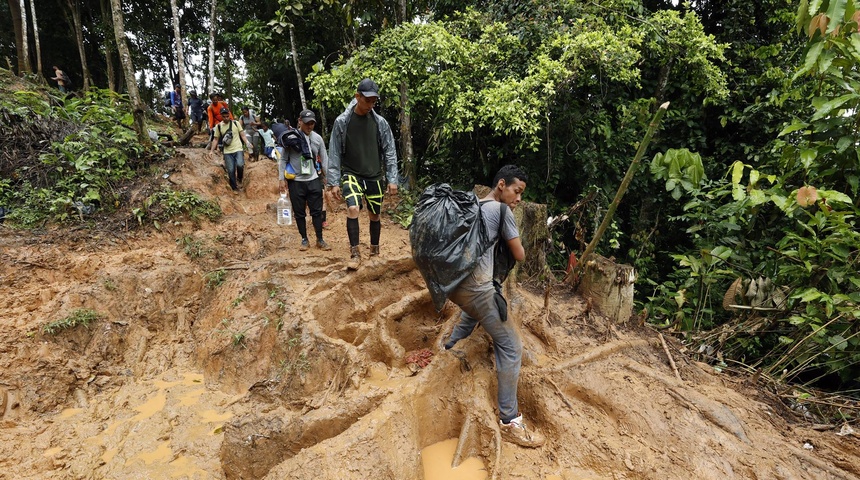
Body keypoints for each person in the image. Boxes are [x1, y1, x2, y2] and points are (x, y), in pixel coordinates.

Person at [441, 165, 545, 449]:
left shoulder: (473, 203)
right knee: (512, 347)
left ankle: (446, 349)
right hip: (479, 289)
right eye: (517, 191)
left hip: (456, 287)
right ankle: (510, 420)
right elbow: (520, 255)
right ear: (502, 184)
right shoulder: (501, 212)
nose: (519, 198)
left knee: (473, 311)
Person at [327, 78, 399, 270]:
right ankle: (355, 253)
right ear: (357, 96)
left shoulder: (380, 123)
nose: (370, 104)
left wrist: (392, 179)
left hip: (374, 175)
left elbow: (390, 150)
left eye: (374, 101)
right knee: (352, 209)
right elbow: (334, 152)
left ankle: (374, 251)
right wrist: (333, 182)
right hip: (351, 173)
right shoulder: (342, 122)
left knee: (375, 215)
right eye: (367, 100)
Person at [280, 109, 331, 251]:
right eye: (307, 123)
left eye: (312, 124)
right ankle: (304, 239)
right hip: (296, 181)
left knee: (317, 211)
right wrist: (281, 179)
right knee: (299, 212)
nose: (309, 126)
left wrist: (327, 178)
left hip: (313, 179)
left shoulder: (317, 139)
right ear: (300, 121)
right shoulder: (290, 138)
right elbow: (283, 159)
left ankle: (320, 239)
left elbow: (324, 158)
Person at [207, 107, 253, 194]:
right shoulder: (219, 126)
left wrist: (247, 143)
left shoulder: (236, 123)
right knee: (231, 170)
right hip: (227, 151)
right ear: (221, 116)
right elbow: (216, 139)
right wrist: (211, 151)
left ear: (229, 115)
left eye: (227, 116)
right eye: (224, 116)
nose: (226, 118)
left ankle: (239, 178)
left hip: (238, 148)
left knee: (240, 165)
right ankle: (234, 188)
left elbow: (242, 135)